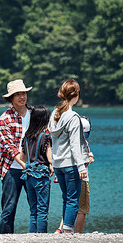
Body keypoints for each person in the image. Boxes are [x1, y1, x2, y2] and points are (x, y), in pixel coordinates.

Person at [48, 79, 90, 234]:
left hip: (58, 163)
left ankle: (65, 228)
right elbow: (75, 144)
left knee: (66, 198)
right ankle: (67, 230)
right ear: (76, 95)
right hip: (71, 164)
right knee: (73, 200)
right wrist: (81, 166)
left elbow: (52, 138)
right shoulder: (73, 117)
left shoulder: (54, 114)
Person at [0, 79, 33, 234]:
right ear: (11, 98)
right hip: (12, 168)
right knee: (9, 208)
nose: (22, 97)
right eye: (17, 94)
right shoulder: (4, 118)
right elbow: (9, 146)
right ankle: (4, 239)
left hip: (33, 166)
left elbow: (46, 136)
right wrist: (23, 164)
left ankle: (38, 237)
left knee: (37, 207)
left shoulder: (35, 113)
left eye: (23, 93)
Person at [55, 116, 95, 233]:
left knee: (69, 202)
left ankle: (60, 228)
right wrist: (87, 159)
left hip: (64, 174)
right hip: (80, 177)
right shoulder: (83, 144)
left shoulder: (65, 141)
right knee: (81, 208)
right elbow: (90, 157)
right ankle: (77, 233)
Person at [19, 106, 54, 233]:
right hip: (41, 176)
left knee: (33, 210)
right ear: (44, 120)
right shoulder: (45, 137)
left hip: (28, 177)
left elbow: (22, 158)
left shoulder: (26, 137)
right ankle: (42, 236)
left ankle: (32, 235)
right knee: (42, 210)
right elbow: (50, 159)